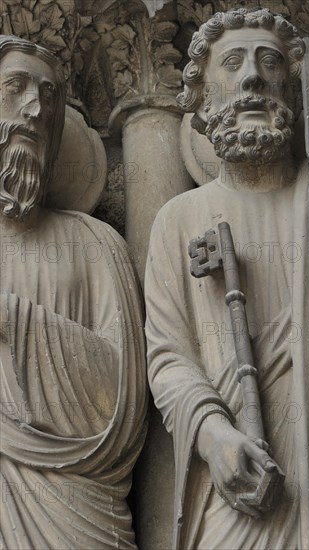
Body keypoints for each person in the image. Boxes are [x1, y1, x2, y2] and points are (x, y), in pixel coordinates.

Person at [145, 8, 309, 549]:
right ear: (204, 96)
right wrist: (213, 436)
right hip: (237, 481)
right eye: (234, 63)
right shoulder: (178, 219)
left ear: (293, 89)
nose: (252, 78)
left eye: (269, 63)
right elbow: (168, 357)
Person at [0, 35, 147, 549]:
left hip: (76, 509)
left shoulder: (95, 244)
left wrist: (14, 322)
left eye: (49, 95)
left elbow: (124, 404)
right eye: (14, 87)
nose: (35, 108)